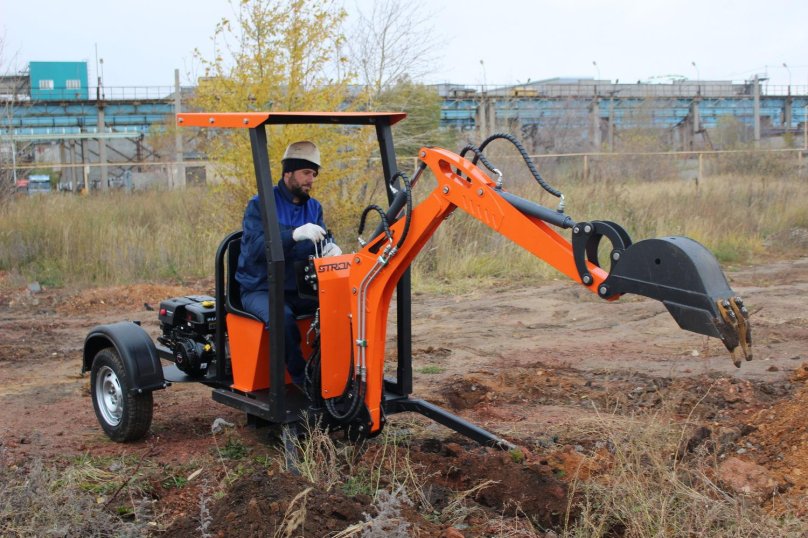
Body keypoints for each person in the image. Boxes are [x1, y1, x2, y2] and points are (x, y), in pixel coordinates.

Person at [235, 140, 342, 384]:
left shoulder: (314, 207)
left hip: (297, 287)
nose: (310, 179)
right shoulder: (260, 204)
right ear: (288, 173)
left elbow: (322, 238)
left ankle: (332, 375)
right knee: (281, 317)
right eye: (306, 173)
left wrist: (330, 247)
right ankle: (301, 379)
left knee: (340, 310)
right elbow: (254, 248)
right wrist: (293, 235)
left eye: (313, 174)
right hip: (260, 288)